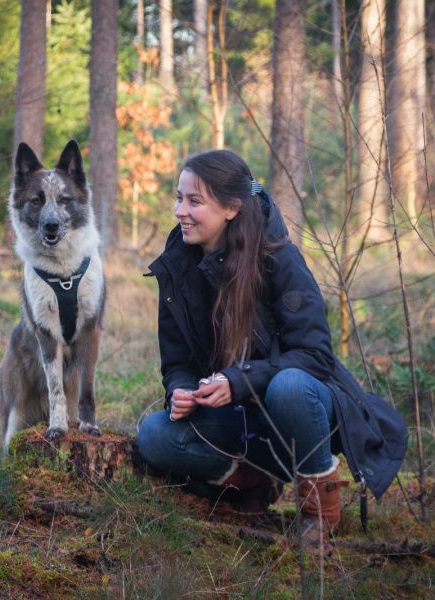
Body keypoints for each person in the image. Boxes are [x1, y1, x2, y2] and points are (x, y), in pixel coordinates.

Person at [137, 149, 408, 543]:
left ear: (231, 208)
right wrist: (180, 389)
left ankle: (319, 511)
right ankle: (254, 482)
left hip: (299, 416)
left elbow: (315, 356)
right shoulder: (177, 267)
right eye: (179, 197)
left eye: (195, 201)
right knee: (155, 435)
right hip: (238, 423)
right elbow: (176, 361)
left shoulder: (279, 259)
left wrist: (238, 380)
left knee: (290, 386)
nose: (181, 210)